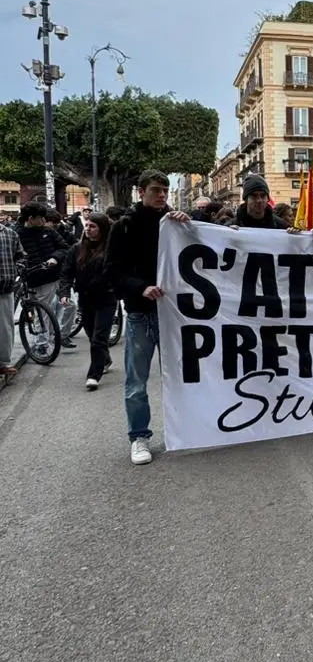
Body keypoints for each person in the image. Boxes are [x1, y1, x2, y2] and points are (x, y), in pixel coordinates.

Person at [105, 169, 190, 465]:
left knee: (182, 377)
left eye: (165, 190)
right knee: (136, 381)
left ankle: (186, 430)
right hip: (141, 315)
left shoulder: (177, 222)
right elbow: (112, 272)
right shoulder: (124, 226)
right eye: (155, 190)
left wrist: (189, 226)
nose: (162, 195)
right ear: (141, 192)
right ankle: (139, 436)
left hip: (175, 316)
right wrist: (141, 288)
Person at [60, 214, 117, 390]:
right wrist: (64, 292)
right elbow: (66, 272)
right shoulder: (76, 249)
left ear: (102, 229)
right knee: (92, 333)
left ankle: (94, 375)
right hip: (86, 298)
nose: (88, 229)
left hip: (106, 297)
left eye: (93, 226)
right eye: (87, 226)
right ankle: (105, 359)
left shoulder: (111, 249)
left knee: (99, 337)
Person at [15, 203, 77, 348]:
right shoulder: (16, 233)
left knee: (70, 306)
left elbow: (64, 247)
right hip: (36, 278)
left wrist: (55, 257)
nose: (44, 220)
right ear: (31, 218)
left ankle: (61, 335)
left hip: (56, 275)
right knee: (43, 312)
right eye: (41, 217)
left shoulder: (48, 231)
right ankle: (42, 343)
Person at [0, 218, 26, 383]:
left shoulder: (10, 234)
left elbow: (21, 256)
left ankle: (2, 362)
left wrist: (16, 269)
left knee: (5, 327)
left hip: (5, 287)